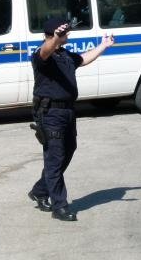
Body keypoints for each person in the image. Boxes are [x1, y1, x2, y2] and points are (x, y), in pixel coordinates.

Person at [28, 17, 114, 221]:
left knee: (67, 152)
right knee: (55, 159)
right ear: (55, 34)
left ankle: (40, 190)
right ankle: (60, 206)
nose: (69, 35)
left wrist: (103, 46)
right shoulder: (42, 56)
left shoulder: (64, 55)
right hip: (50, 114)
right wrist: (55, 38)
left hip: (67, 112)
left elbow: (83, 59)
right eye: (66, 33)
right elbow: (45, 51)